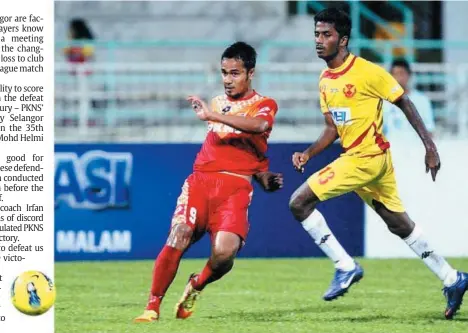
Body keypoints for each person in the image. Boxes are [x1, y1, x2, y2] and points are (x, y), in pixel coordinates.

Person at [289, 8, 467, 320]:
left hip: (365, 159)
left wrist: (430, 146)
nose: (319, 40)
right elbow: (332, 128)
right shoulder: (325, 79)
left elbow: (404, 101)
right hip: (373, 160)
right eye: (316, 34)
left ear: (343, 40)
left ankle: (345, 266)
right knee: (399, 224)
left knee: (299, 202)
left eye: (326, 35)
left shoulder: (367, 72)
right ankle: (453, 278)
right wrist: (308, 153)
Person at [134, 41, 283, 322]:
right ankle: (152, 307)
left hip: (235, 190)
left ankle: (196, 284)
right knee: (180, 234)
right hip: (202, 183)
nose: (227, 80)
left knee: (225, 255)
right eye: (224, 73)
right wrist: (262, 173)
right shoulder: (217, 102)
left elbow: (260, 128)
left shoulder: (264, 105)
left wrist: (263, 176)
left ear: (251, 73)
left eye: (235, 73)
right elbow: (236, 146)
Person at [383, 59, 436, 141]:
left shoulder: (422, 100)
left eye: (402, 74)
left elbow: (429, 130)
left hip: (416, 148)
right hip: (392, 148)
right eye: (395, 74)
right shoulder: (384, 102)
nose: (399, 78)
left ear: (409, 75)